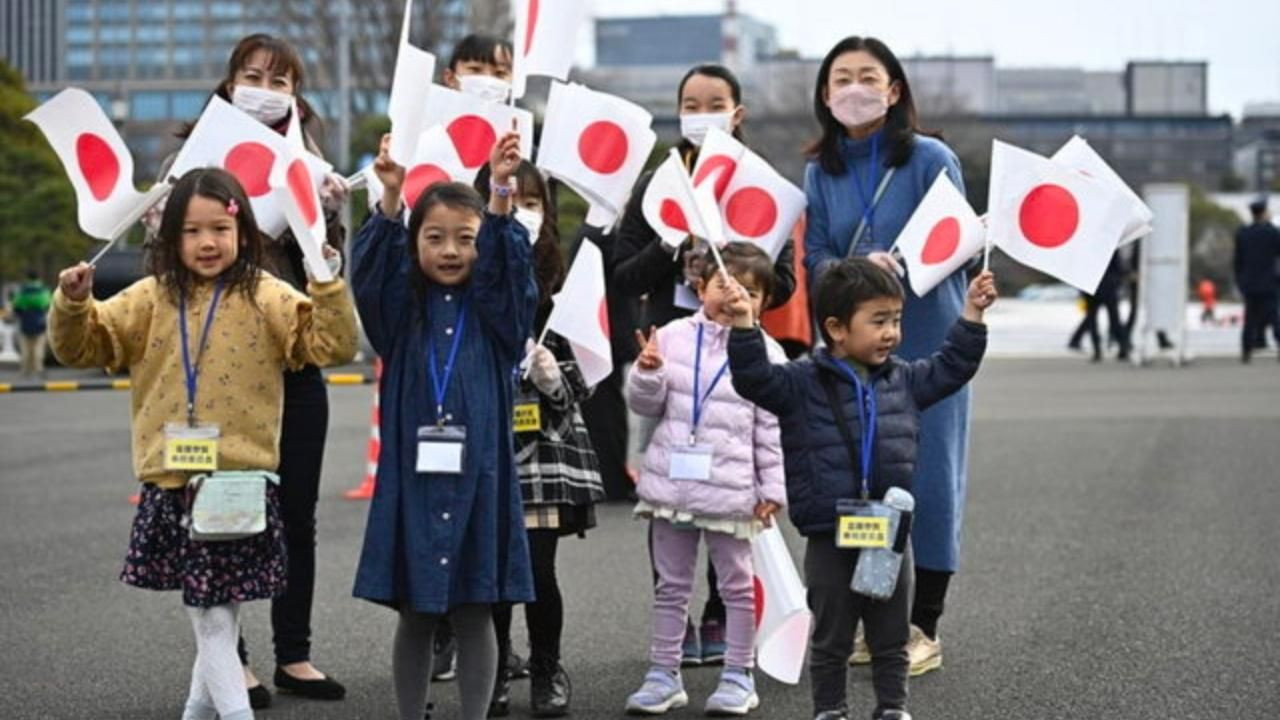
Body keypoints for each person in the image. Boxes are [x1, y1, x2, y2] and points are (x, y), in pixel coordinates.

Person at [47, 167, 358, 720]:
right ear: (170, 236)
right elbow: (81, 347)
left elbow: (332, 344)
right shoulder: (147, 296)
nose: (208, 242)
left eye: (220, 228)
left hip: (240, 481)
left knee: (214, 611)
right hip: (173, 479)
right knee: (215, 610)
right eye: (191, 231)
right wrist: (72, 304)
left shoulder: (266, 294)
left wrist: (327, 285)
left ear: (243, 233)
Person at [726, 258, 996, 720]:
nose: (891, 332)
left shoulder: (905, 380)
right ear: (836, 328)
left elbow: (953, 366)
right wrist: (745, 327)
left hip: (887, 530)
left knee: (891, 634)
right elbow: (754, 379)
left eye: (895, 320)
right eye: (878, 321)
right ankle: (831, 710)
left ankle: (892, 708)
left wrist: (972, 313)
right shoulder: (800, 383)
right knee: (832, 636)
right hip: (831, 535)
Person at [801, 35, 975, 675]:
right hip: (850, 353)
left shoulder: (931, 158)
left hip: (929, 340)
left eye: (868, 77)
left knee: (931, 481)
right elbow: (814, 255)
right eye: (841, 78)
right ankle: (867, 619)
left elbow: (961, 242)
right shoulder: (821, 170)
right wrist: (851, 272)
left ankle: (922, 624)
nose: (854, 88)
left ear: (894, 89)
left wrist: (903, 268)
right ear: (825, 94)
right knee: (864, 480)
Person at [614, 62, 796, 668]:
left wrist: (744, 273)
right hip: (673, 351)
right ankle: (678, 617)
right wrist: (673, 245)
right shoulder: (658, 183)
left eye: (714, 102)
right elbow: (622, 273)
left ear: (737, 112)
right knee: (667, 481)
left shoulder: (762, 185)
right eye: (691, 102)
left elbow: (789, 282)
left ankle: (723, 611)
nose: (702, 111)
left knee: (732, 484)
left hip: (738, 357)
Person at [350, 129, 535, 720]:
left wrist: (500, 193)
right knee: (416, 611)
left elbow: (512, 273)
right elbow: (371, 277)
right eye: (434, 238)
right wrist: (389, 197)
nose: (451, 250)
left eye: (465, 239)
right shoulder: (398, 316)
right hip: (414, 480)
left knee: (476, 608)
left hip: (480, 476)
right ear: (414, 245)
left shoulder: (496, 317)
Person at [622, 243, 787, 717]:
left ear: (765, 303)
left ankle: (739, 673)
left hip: (732, 492)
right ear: (699, 289)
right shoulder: (671, 336)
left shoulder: (767, 352)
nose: (735, 297)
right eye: (724, 284)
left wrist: (772, 489)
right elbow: (645, 407)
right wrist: (648, 374)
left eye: (750, 291)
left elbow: (772, 428)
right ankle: (663, 673)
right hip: (671, 488)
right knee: (670, 586)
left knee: (736, 586)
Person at [474, 161, 606, 717]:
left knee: (536, 566)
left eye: (532, 200)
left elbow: (586, 381)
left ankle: (547, 667)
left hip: (547, 446)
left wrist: (554, 377)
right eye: (508, 196)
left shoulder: (563, 284)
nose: (522, 208)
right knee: (494, 569)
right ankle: (498, 665)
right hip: (488, 441)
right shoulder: (470, 276)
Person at [1234, 197, 1280, 363]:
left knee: (1250, 320)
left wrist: (1240, 281)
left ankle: (1246, 350)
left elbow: (1237, 261)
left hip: (1249, 283)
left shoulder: (1243, 233)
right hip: (1270, 282)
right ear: (1263, 212)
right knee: (1275, 317)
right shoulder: (1273, 233)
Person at [1080, 253, 1131, 362]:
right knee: (1113, 319)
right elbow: (1119, 267)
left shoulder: (1084, 247)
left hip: (1092, 286)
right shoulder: (1109, 245)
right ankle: (1122, 347)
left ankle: (1098, 350)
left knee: (1094, 321)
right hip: (1106, 287)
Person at [11, 270, 52, 378]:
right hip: (40, 323)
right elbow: (48, 305)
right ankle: (39, 369)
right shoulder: (43, 290)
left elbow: (16, 307)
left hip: (25, 323)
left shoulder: (22, 291)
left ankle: (25, 370)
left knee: (26, 349)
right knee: (38, 348)